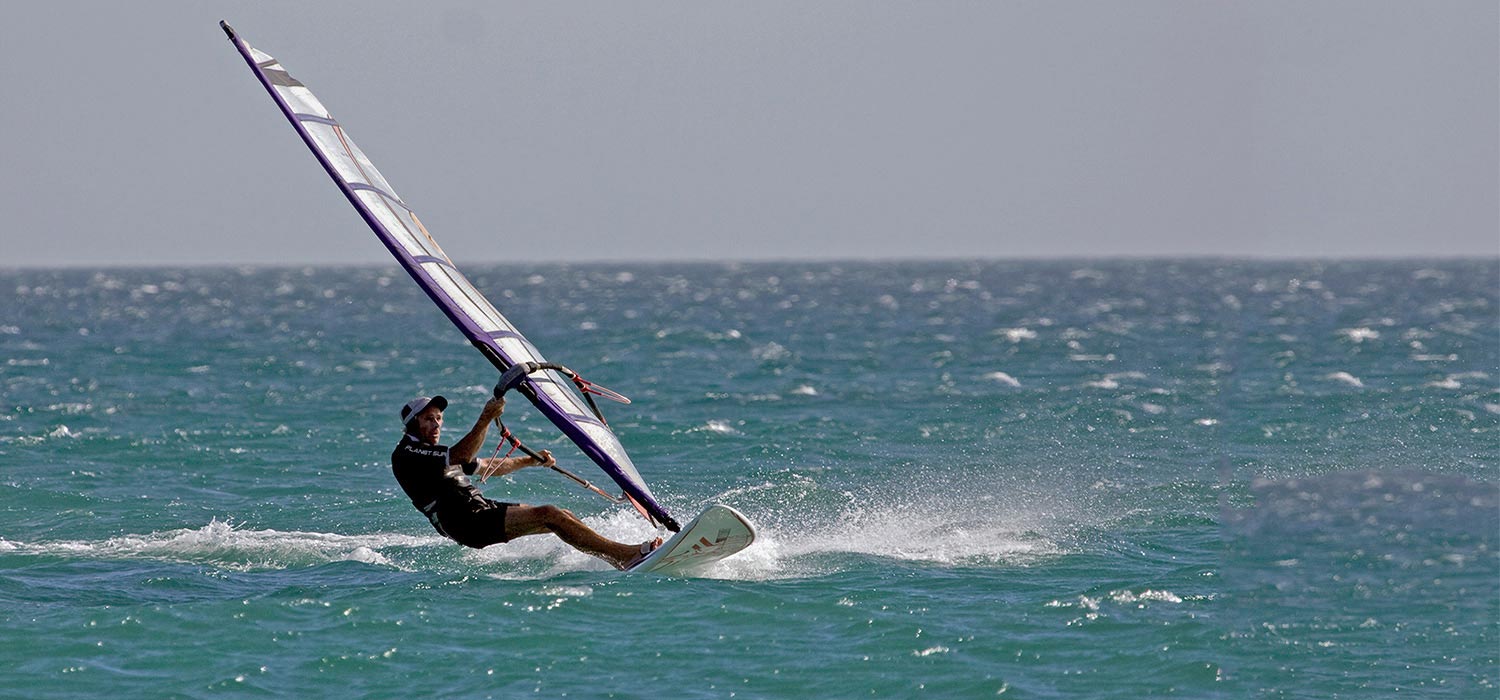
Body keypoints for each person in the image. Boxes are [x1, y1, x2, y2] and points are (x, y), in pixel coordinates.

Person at [391, 394, 660, 570]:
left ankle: (618, 555)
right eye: (428, 419)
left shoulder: (433, 454)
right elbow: (463, 454)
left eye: (439, 418)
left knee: (561, 516)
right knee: (550, 514)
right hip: (465, 523)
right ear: (412, 424)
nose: (437, 424)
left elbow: (485, 466)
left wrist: (529, 461)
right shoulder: (407, 454)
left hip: (479, 510)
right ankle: (625, 556)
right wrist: (486, 418)